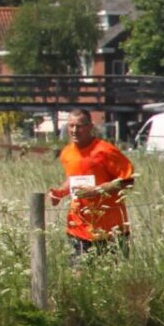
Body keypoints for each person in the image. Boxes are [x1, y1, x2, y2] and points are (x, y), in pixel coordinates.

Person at [47, 109, 134, 260]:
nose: (74, 130)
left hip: (110, 229)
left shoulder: (105, 150)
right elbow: (73, 179)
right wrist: (59, 193)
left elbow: (128, 181)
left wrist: (98, 190)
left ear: (90, 126)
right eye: (71, 126)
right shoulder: (67, 152)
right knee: (79, 273)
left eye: (79, 126)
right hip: (78, 227)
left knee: (113, 273)